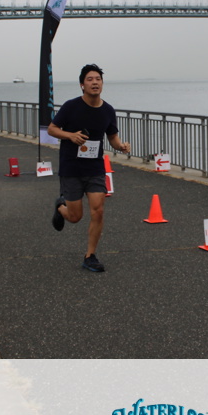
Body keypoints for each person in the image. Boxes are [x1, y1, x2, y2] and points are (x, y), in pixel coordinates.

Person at [47, 63, 131, 272]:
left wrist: (120, 146)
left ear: (102, 83)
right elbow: (52, 129)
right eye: (90, 79)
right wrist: (70, 135)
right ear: (82, 85)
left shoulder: (108, 110)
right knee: (75, 217)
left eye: (98, 79)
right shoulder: (71, 106)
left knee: (98, 210)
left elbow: (112, 137)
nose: (95, 83)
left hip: (95, 168)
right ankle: (60, 207)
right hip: (71, 168)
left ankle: (90, 256)